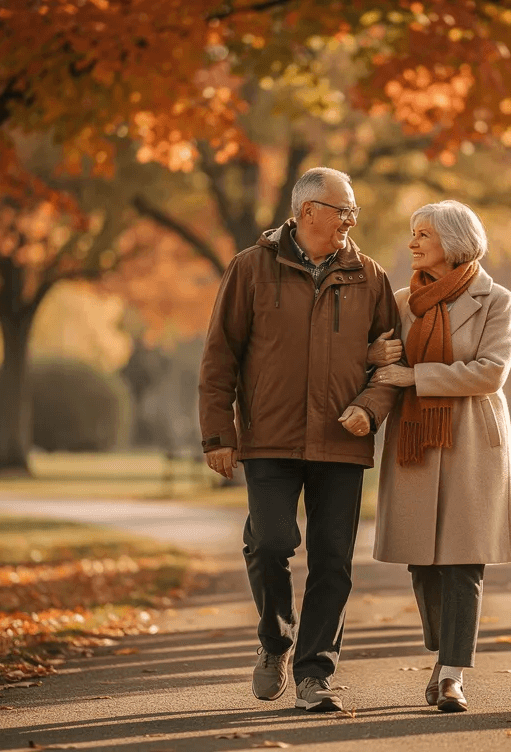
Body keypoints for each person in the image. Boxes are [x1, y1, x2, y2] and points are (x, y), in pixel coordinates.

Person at [198, 167, 401, 713]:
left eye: (353, 212)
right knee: (269, 544)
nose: (350, 221)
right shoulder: (250, 269)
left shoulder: (370, 276)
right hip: (269, 438)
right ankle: (274, 642)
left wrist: (369, 409)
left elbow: (392, 365)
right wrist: (220, 433)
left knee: (333, 560)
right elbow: (221, 356)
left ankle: (315, 675)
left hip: (342, 440)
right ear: (307, 211)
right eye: (343, 210)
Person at [368, 199, 511, 713]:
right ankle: (443, 655)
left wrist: (417, 376)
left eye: (423, 234)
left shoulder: (496, 300)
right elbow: (378, 359)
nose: (412, 242)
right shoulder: (401, 299)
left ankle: (453, 673)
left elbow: (491, 371)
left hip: (471, 439)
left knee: (462, 561)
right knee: (423, 563)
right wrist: (376, 358)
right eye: (412, 232)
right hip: (415, 440)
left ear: (453, 243)